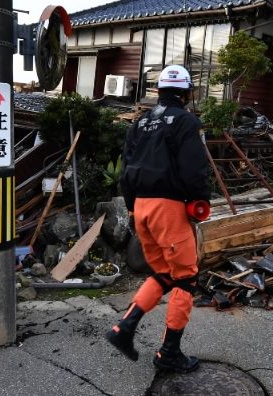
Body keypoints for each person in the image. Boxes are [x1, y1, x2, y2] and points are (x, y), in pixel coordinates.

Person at [106, 65, 211, 374]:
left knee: (164, 274)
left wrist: (130, 207)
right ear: (187, 93)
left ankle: (123, 329)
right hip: (169, 209)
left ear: (160, 90)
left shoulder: (140, 123)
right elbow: (194, 169)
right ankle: (169, 353)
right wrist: (200, 200)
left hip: (140, 208)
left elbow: (126, 169)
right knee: (186, 278)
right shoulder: (187, 121)